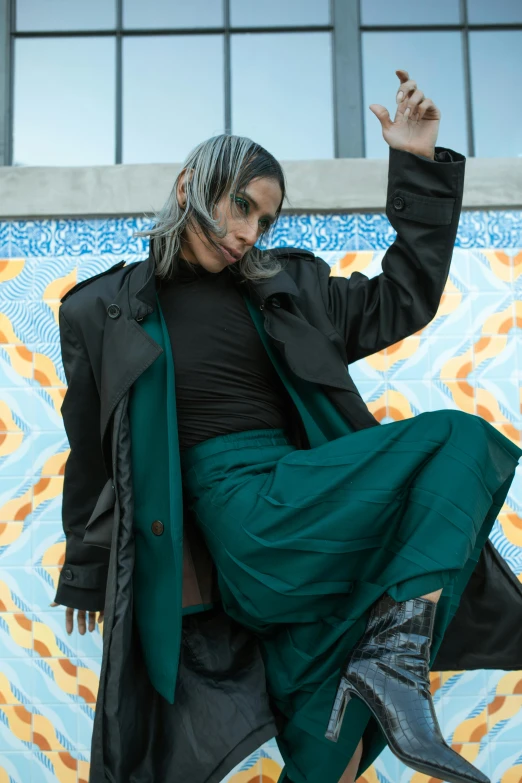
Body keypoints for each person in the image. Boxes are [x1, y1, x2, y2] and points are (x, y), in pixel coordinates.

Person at [52, 69, 521, 783]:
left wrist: (418, 163)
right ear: (189, 188)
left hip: (307, 510)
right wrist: (86, 571)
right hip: (243, 523)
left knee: (326, 739)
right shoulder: (102, 311)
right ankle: (395, 662)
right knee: (457, 438)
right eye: (240, 207)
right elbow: (91, 450)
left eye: (265, 220)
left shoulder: (290, 291)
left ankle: (389, 662)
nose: (248, 233)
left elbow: (406, 295)